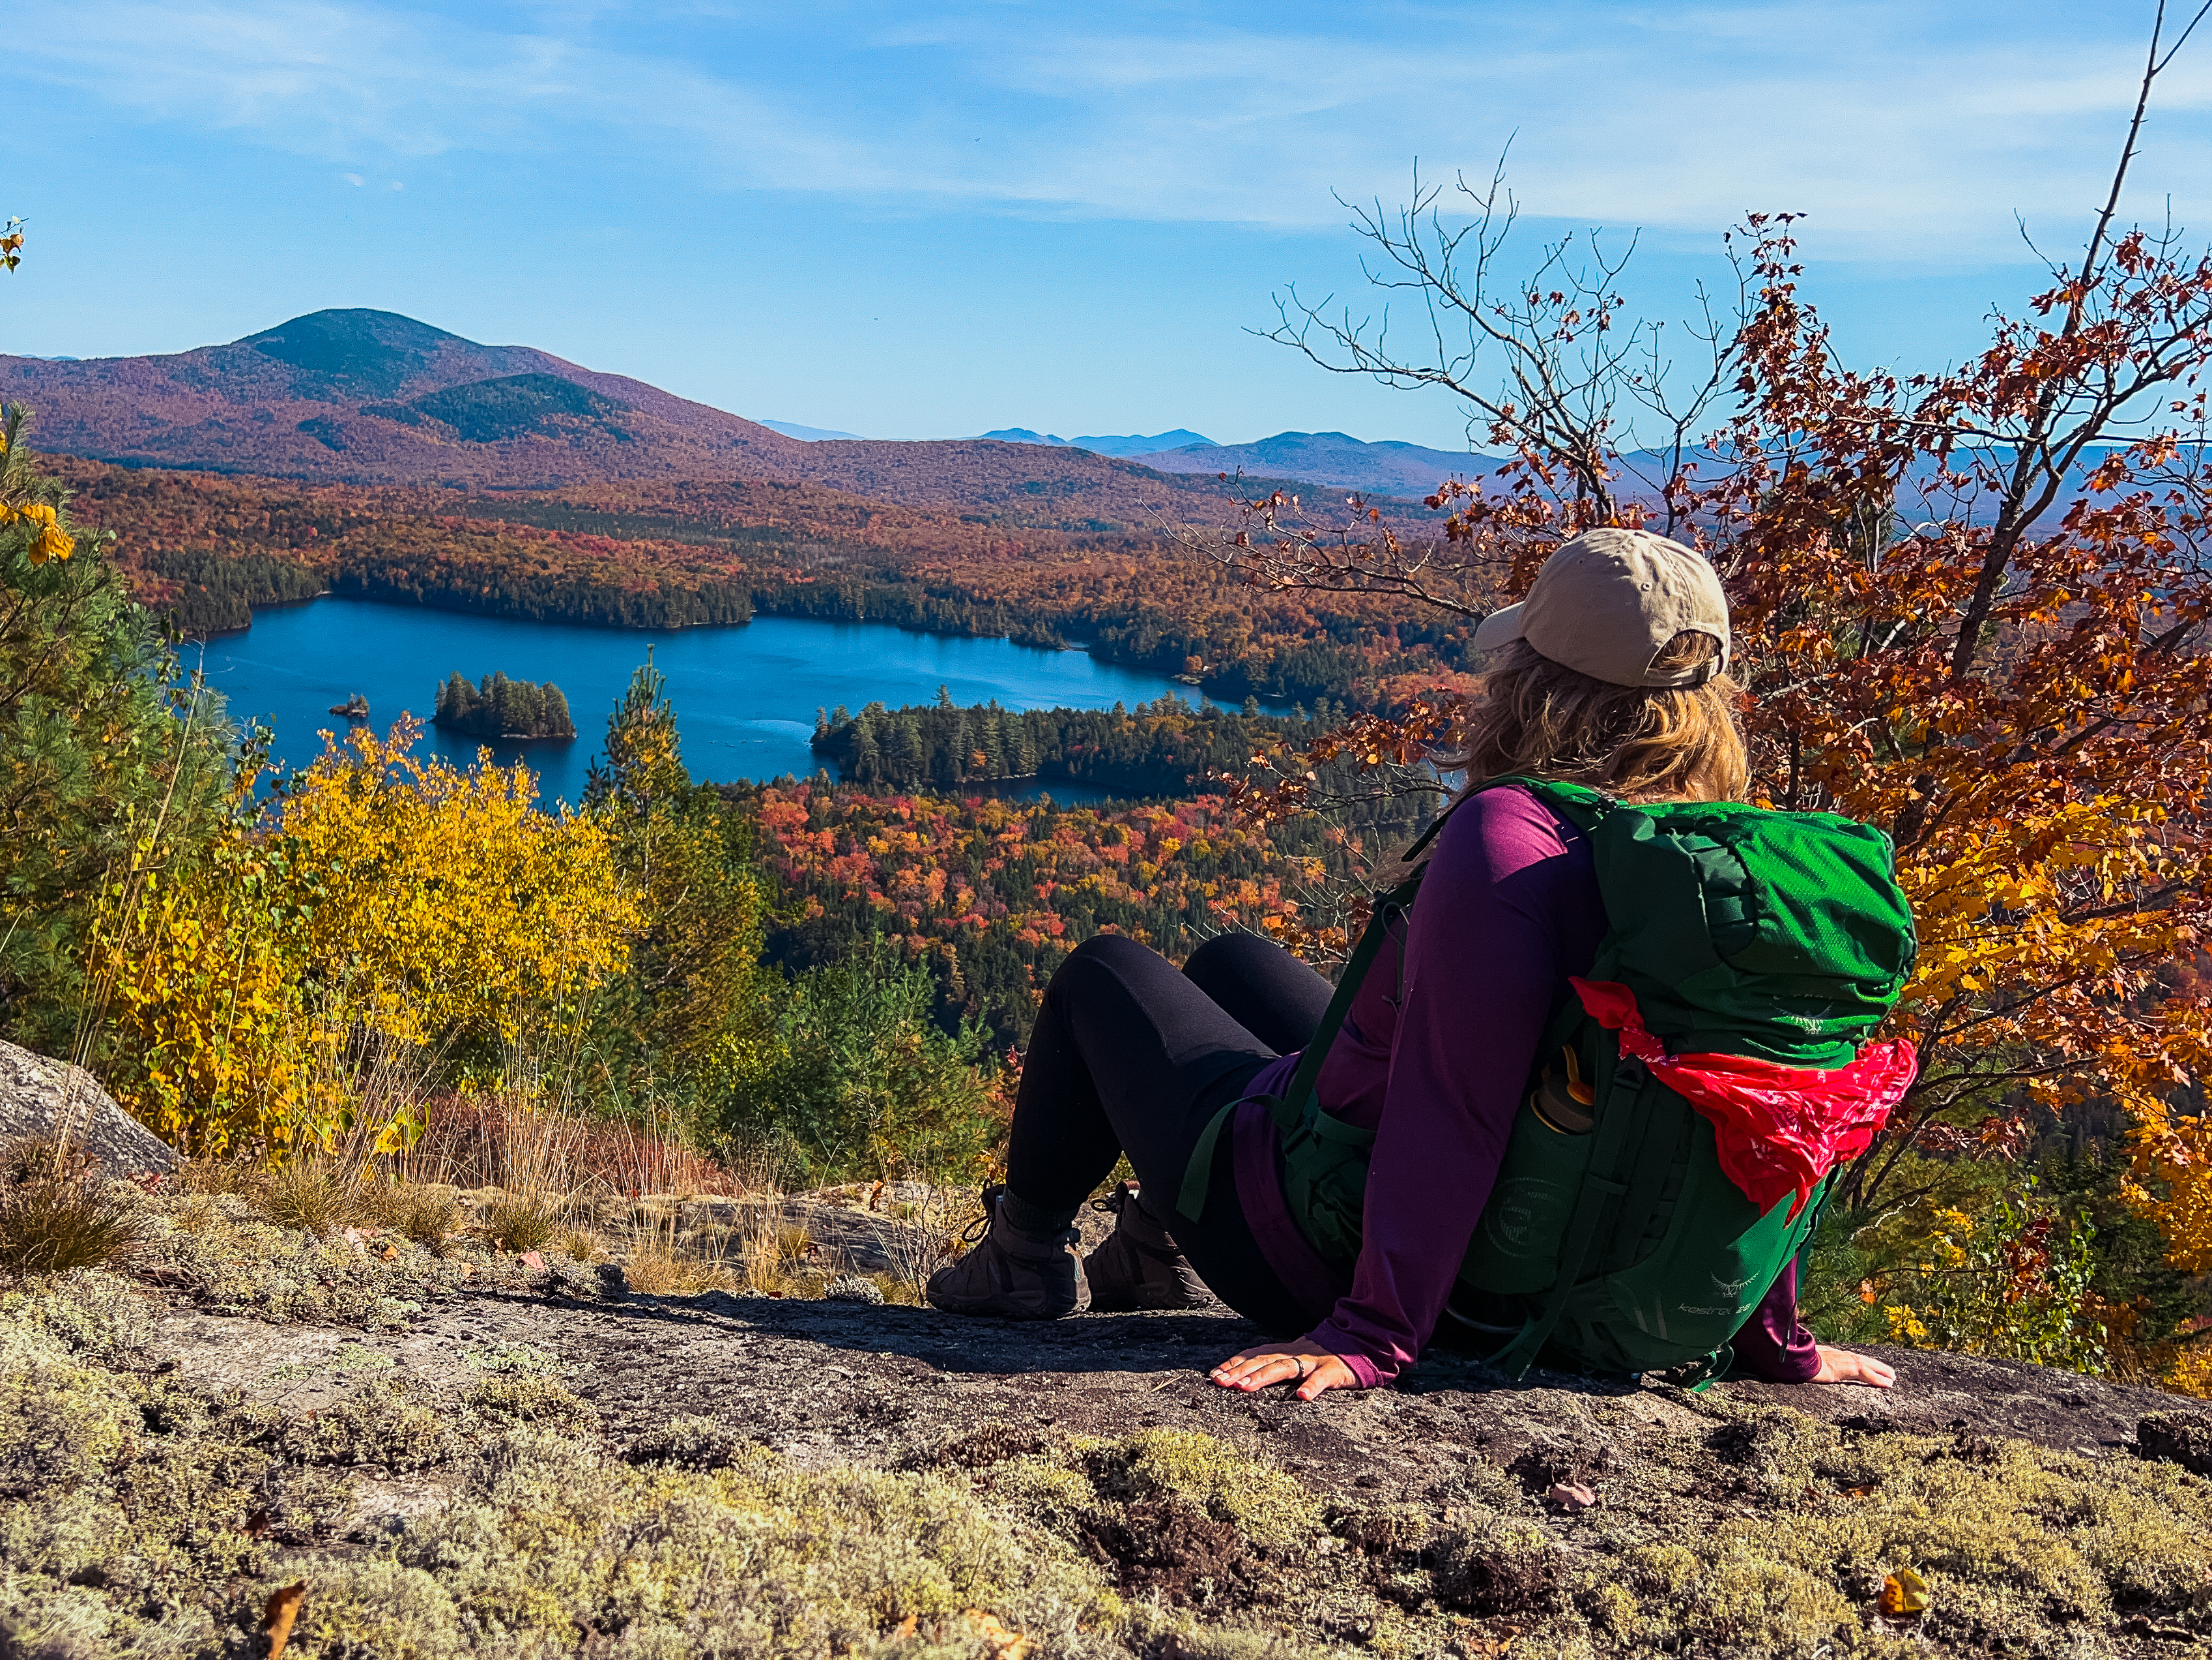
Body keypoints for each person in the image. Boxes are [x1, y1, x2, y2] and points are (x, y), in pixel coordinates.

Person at [927, 527, 1899, 1400]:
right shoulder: (1727, 870)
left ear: (1538, 683)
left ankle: (1024, 1255)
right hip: (1560, 1258)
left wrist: (1375, 1336)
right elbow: (1772, 1109)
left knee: (1104, 972)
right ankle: (1152, 1250)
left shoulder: (1511, 836)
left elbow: (1458, 1108)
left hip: (1328, 1257)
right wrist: (1778, 1340)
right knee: (1233, 960)